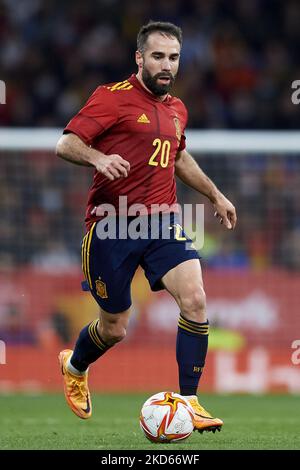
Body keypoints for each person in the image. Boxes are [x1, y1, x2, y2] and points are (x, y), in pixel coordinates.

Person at [56, 20, 236, 433]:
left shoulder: (177, 109)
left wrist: (215, 194)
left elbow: (178, 157)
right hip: (110, 229)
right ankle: (75, 364)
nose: (166, 65)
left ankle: (189, 402)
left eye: (173, 57)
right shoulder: (111, 98)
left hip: (162, 223)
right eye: (158, 56)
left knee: (195, 299)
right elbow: (65, 143)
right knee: (115, 327)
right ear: (140, 58)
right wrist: (98, 159)